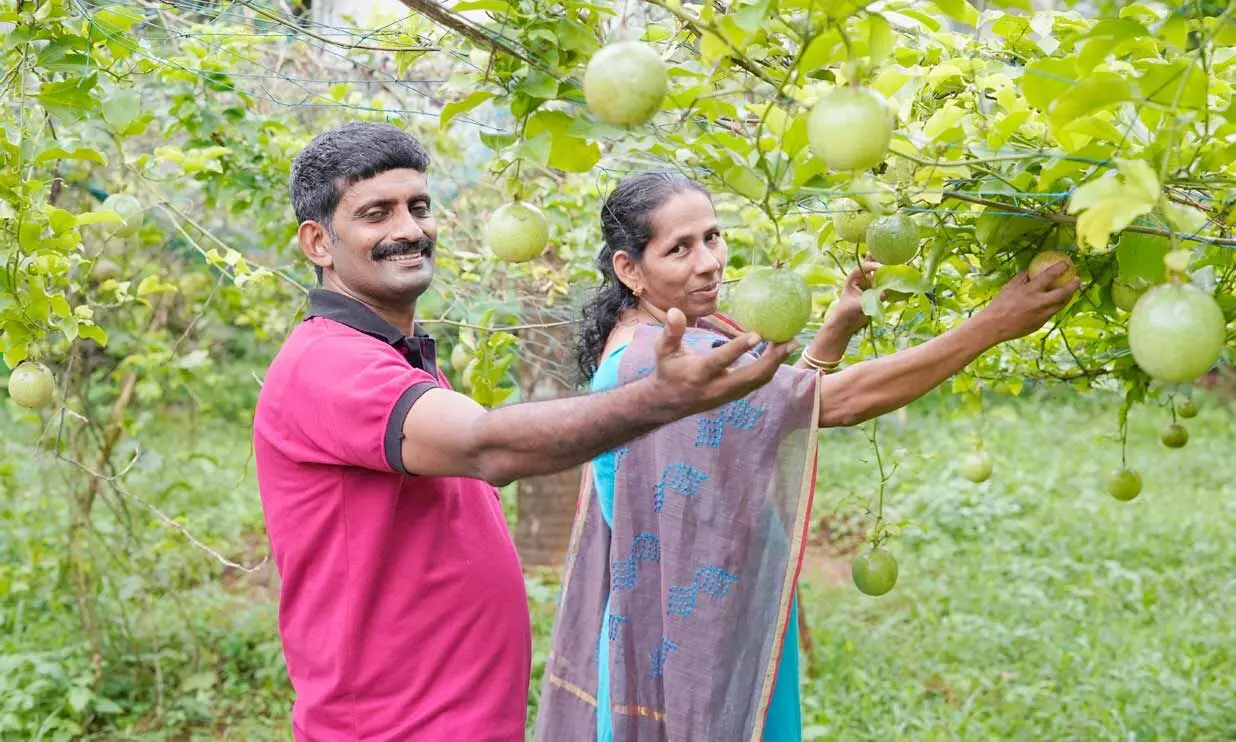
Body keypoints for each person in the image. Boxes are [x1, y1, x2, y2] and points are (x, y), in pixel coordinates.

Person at [251, 124, 794, 742]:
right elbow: (488, 445)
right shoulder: (330, 365)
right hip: (389, 727)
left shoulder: (397, 357)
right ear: (319, 242)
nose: (408, 229)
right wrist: (662, 397)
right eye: (377, 213)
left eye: (419, 208)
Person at [534, 172, 1079, 741]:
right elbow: (838, 402)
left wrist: (837, 327)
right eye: (680, 248)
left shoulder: (670, 337)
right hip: (696, 630)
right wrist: (993, 324)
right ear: (629, 269)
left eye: (713, 237)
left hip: (707, 611)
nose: (708, 262)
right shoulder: (660, 357)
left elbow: (771, 408)